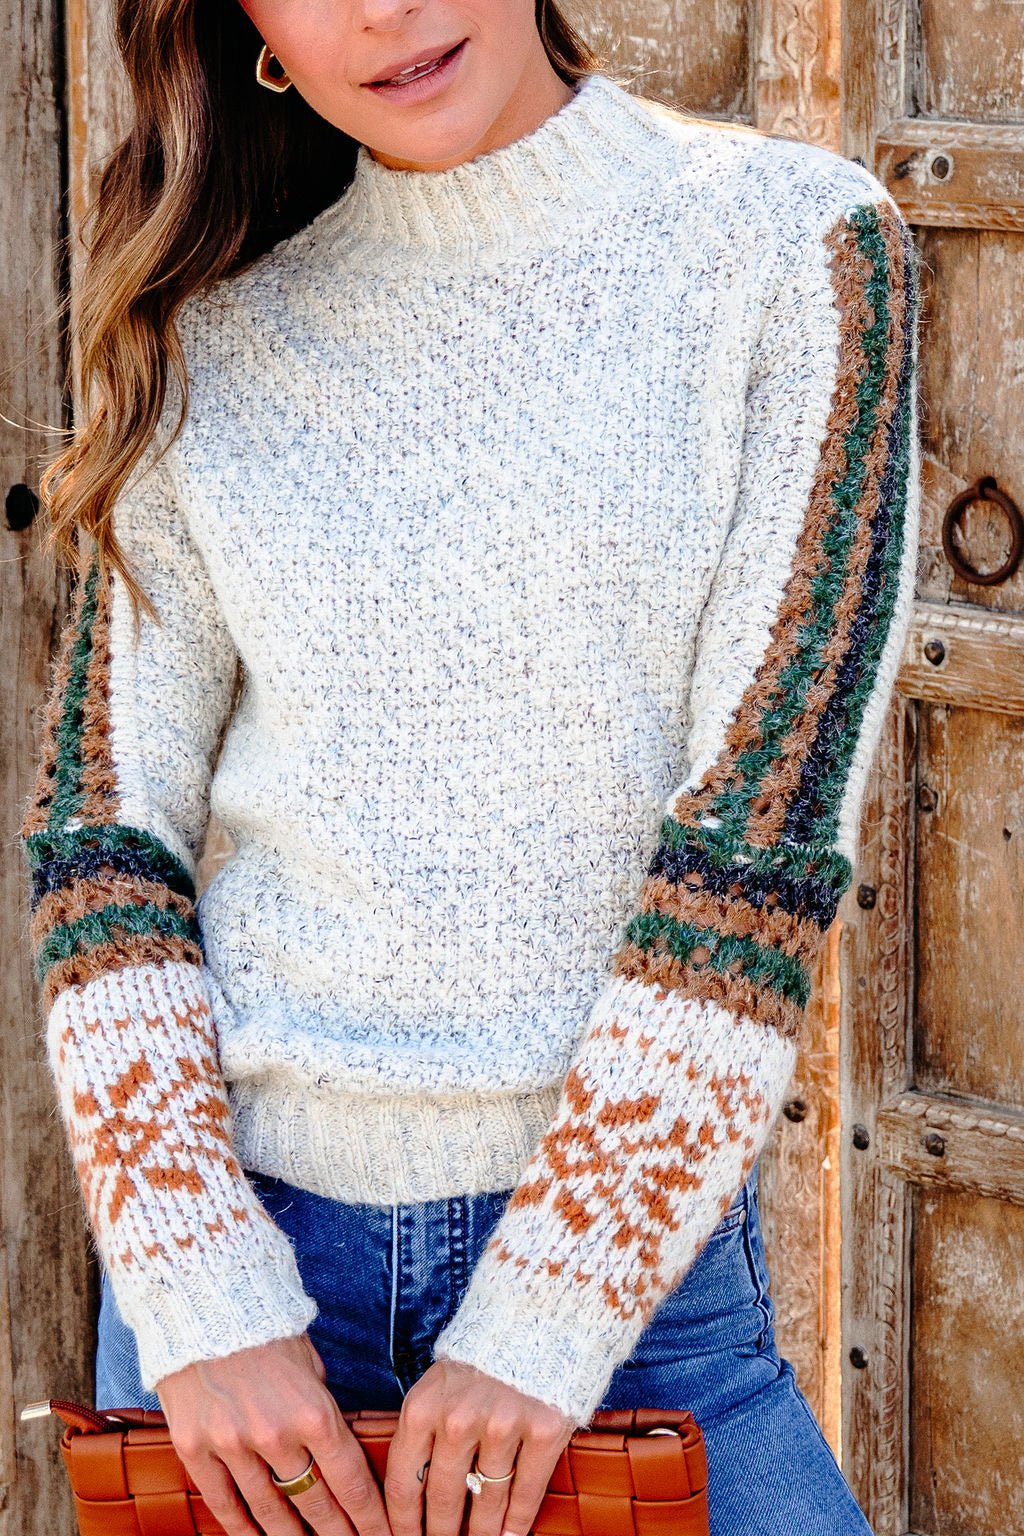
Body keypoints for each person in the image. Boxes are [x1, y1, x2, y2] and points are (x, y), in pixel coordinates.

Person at [19, 0, 922, 1532]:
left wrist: (551, 1313)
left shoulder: (796, 249)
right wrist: (195, 1284)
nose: (382, 11)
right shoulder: (214, 326)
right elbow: (106, 839)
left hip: (639, 1312)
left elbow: (763, 830)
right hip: (247, 1316)